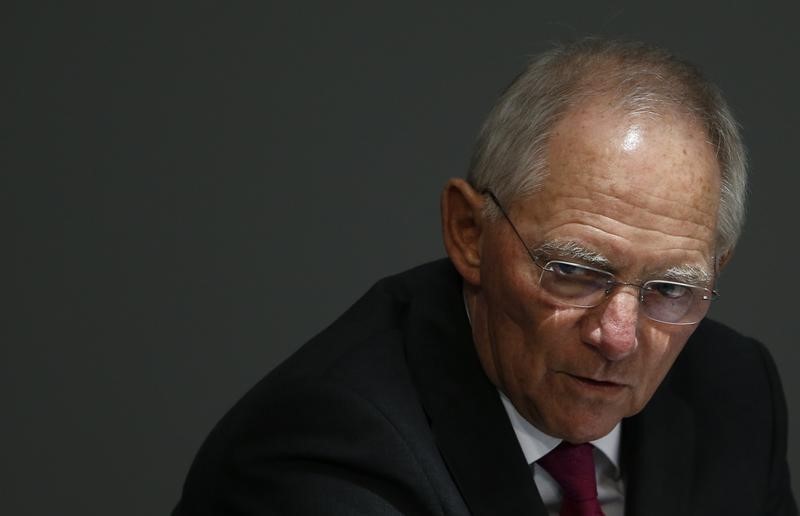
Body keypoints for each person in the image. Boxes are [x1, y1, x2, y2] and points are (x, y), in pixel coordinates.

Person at [173, 38, 797, 515]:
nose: (619, 337)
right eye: (575, 272)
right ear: (468, 233)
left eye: (669, 289)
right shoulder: (324, 449)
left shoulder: (734, 395)